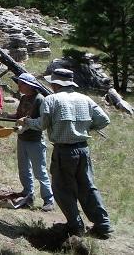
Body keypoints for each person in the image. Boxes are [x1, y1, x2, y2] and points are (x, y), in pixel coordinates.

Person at [17, 68, 113, 238]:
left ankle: (75, 226)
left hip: (64, 151)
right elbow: (104, 120)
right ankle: (103, 225)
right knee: (88, 186)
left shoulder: (51, 100)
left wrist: (27, 121)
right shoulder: (85, 99)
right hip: (83, 149)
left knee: (62, 189)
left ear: (55, 84)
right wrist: (83, 128)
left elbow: (41, 125)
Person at [8, 73, 54, 211]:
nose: (19, 86)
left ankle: (48, 200)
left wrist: (26, 122)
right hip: (22, 138)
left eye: (21, 84)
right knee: (23, 169)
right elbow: (18, 116)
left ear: (29, 85)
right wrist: (4, 115)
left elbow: (42, 122)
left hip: (35, 140)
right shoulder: (23, 98)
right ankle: (28, 194)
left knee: (39, 171)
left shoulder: (40, 99)